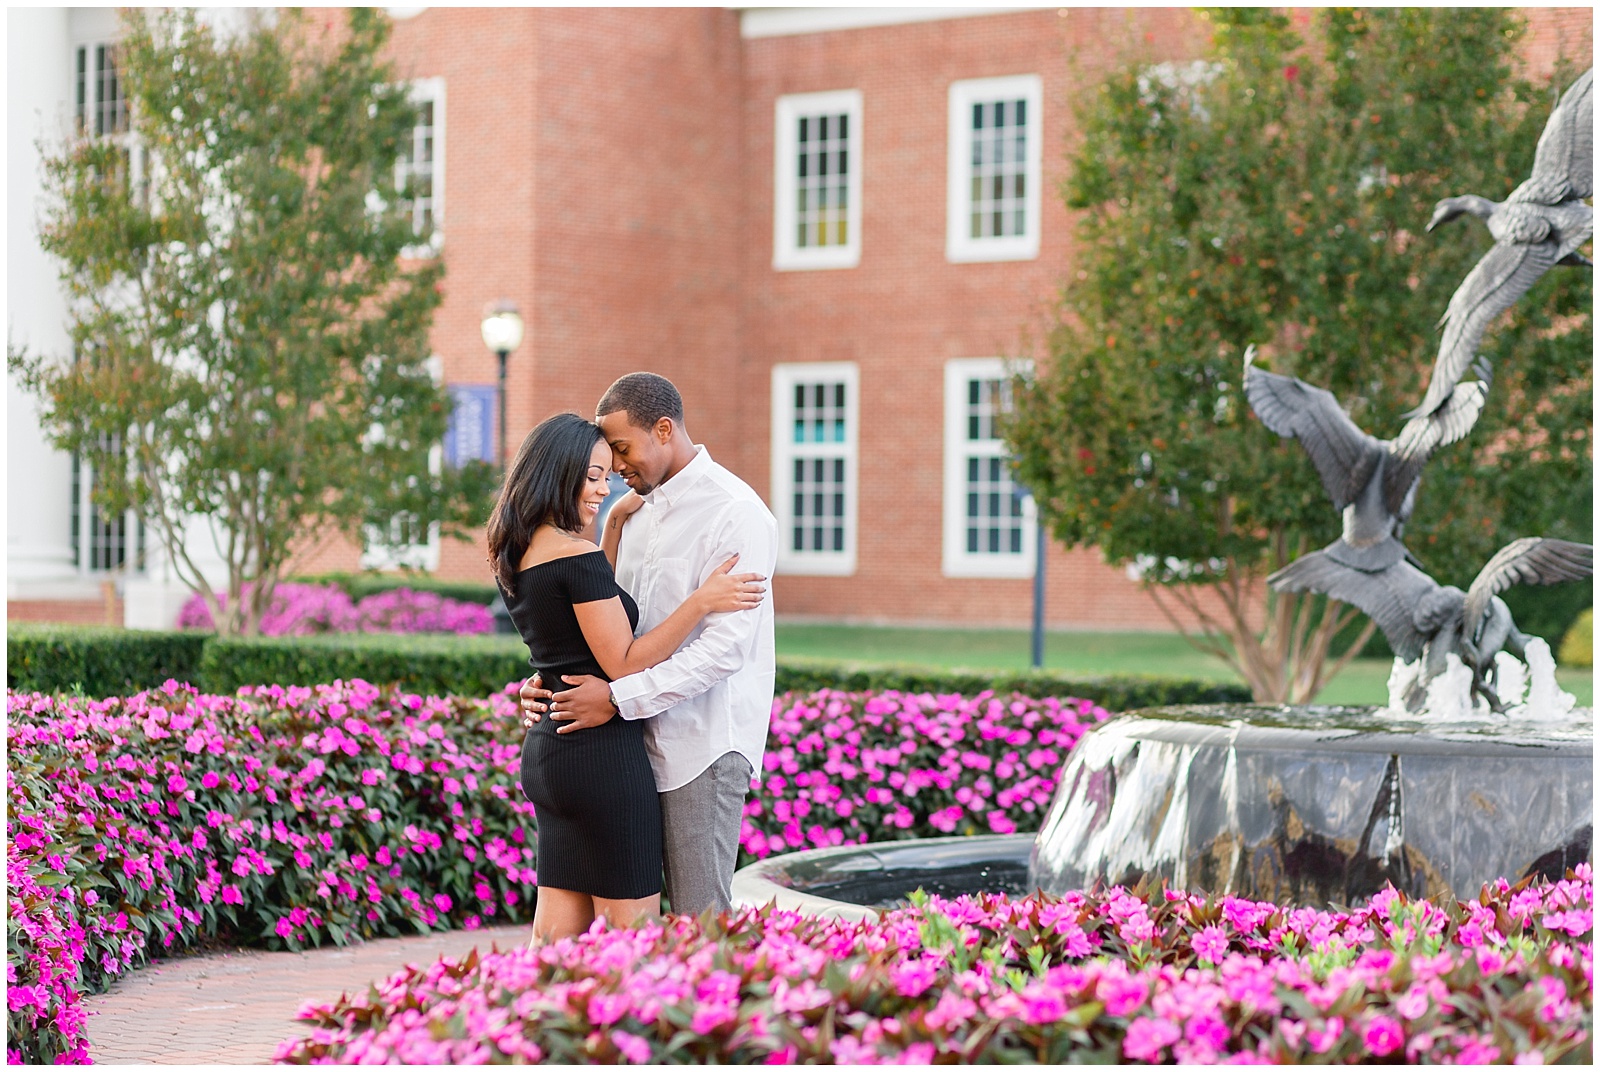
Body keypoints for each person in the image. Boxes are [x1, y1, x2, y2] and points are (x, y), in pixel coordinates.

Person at [487, 412, 766, 944]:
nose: (603, 487)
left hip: (551, 752)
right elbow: (624, 659)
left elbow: (582, 618)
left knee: (556, 938)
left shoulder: (519, 550)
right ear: (558, 473)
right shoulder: (579, 557)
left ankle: (521, 1022)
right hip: (603, 760)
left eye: (606, 476)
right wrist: (701, 602)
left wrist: (612, 523)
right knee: (633, 934)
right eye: (592, 476)